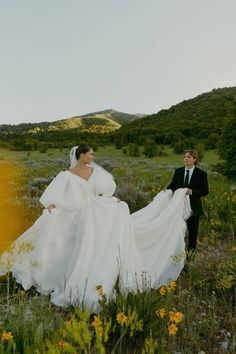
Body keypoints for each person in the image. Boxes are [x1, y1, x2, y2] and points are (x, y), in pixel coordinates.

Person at [0, 144, 191, 311]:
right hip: (76, 210)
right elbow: (53, 193)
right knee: (59, 233)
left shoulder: (95, 171)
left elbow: (103, 190)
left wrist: (105, 198)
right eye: (90, 154)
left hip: (93, 207)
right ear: (81, 156)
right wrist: (50, 205)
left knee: (119, 211)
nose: (92, 157)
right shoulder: (66, 175)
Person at [167, 149, 209, 263]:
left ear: (194, 159)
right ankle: (175, 259)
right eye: (185, 156)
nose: (186, 158)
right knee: (177, 233)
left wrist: (192, 192)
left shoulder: (201, 174)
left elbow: (205, 191)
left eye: (189, 157)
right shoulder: (178, 171)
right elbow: (172, 185)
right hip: (178, 208)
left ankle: (189, 260)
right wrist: (165, 193)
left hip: (193, 209)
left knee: (192, 235)